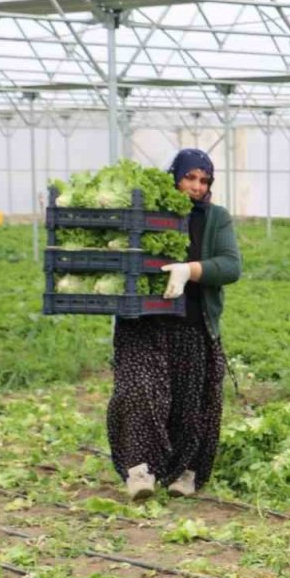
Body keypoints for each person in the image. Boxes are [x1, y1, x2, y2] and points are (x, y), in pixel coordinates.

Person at [107, 148, 242, 500]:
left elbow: (231, 266)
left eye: (204, 181)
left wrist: (191, 270)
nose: (196, 187)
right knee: (137, 391)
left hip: (192, 325)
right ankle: (140, 471)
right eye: (189, 178)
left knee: (191, 403)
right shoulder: (145, 212)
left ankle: (185, 471)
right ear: (174, 176)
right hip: (144, 323)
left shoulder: (216, 218)